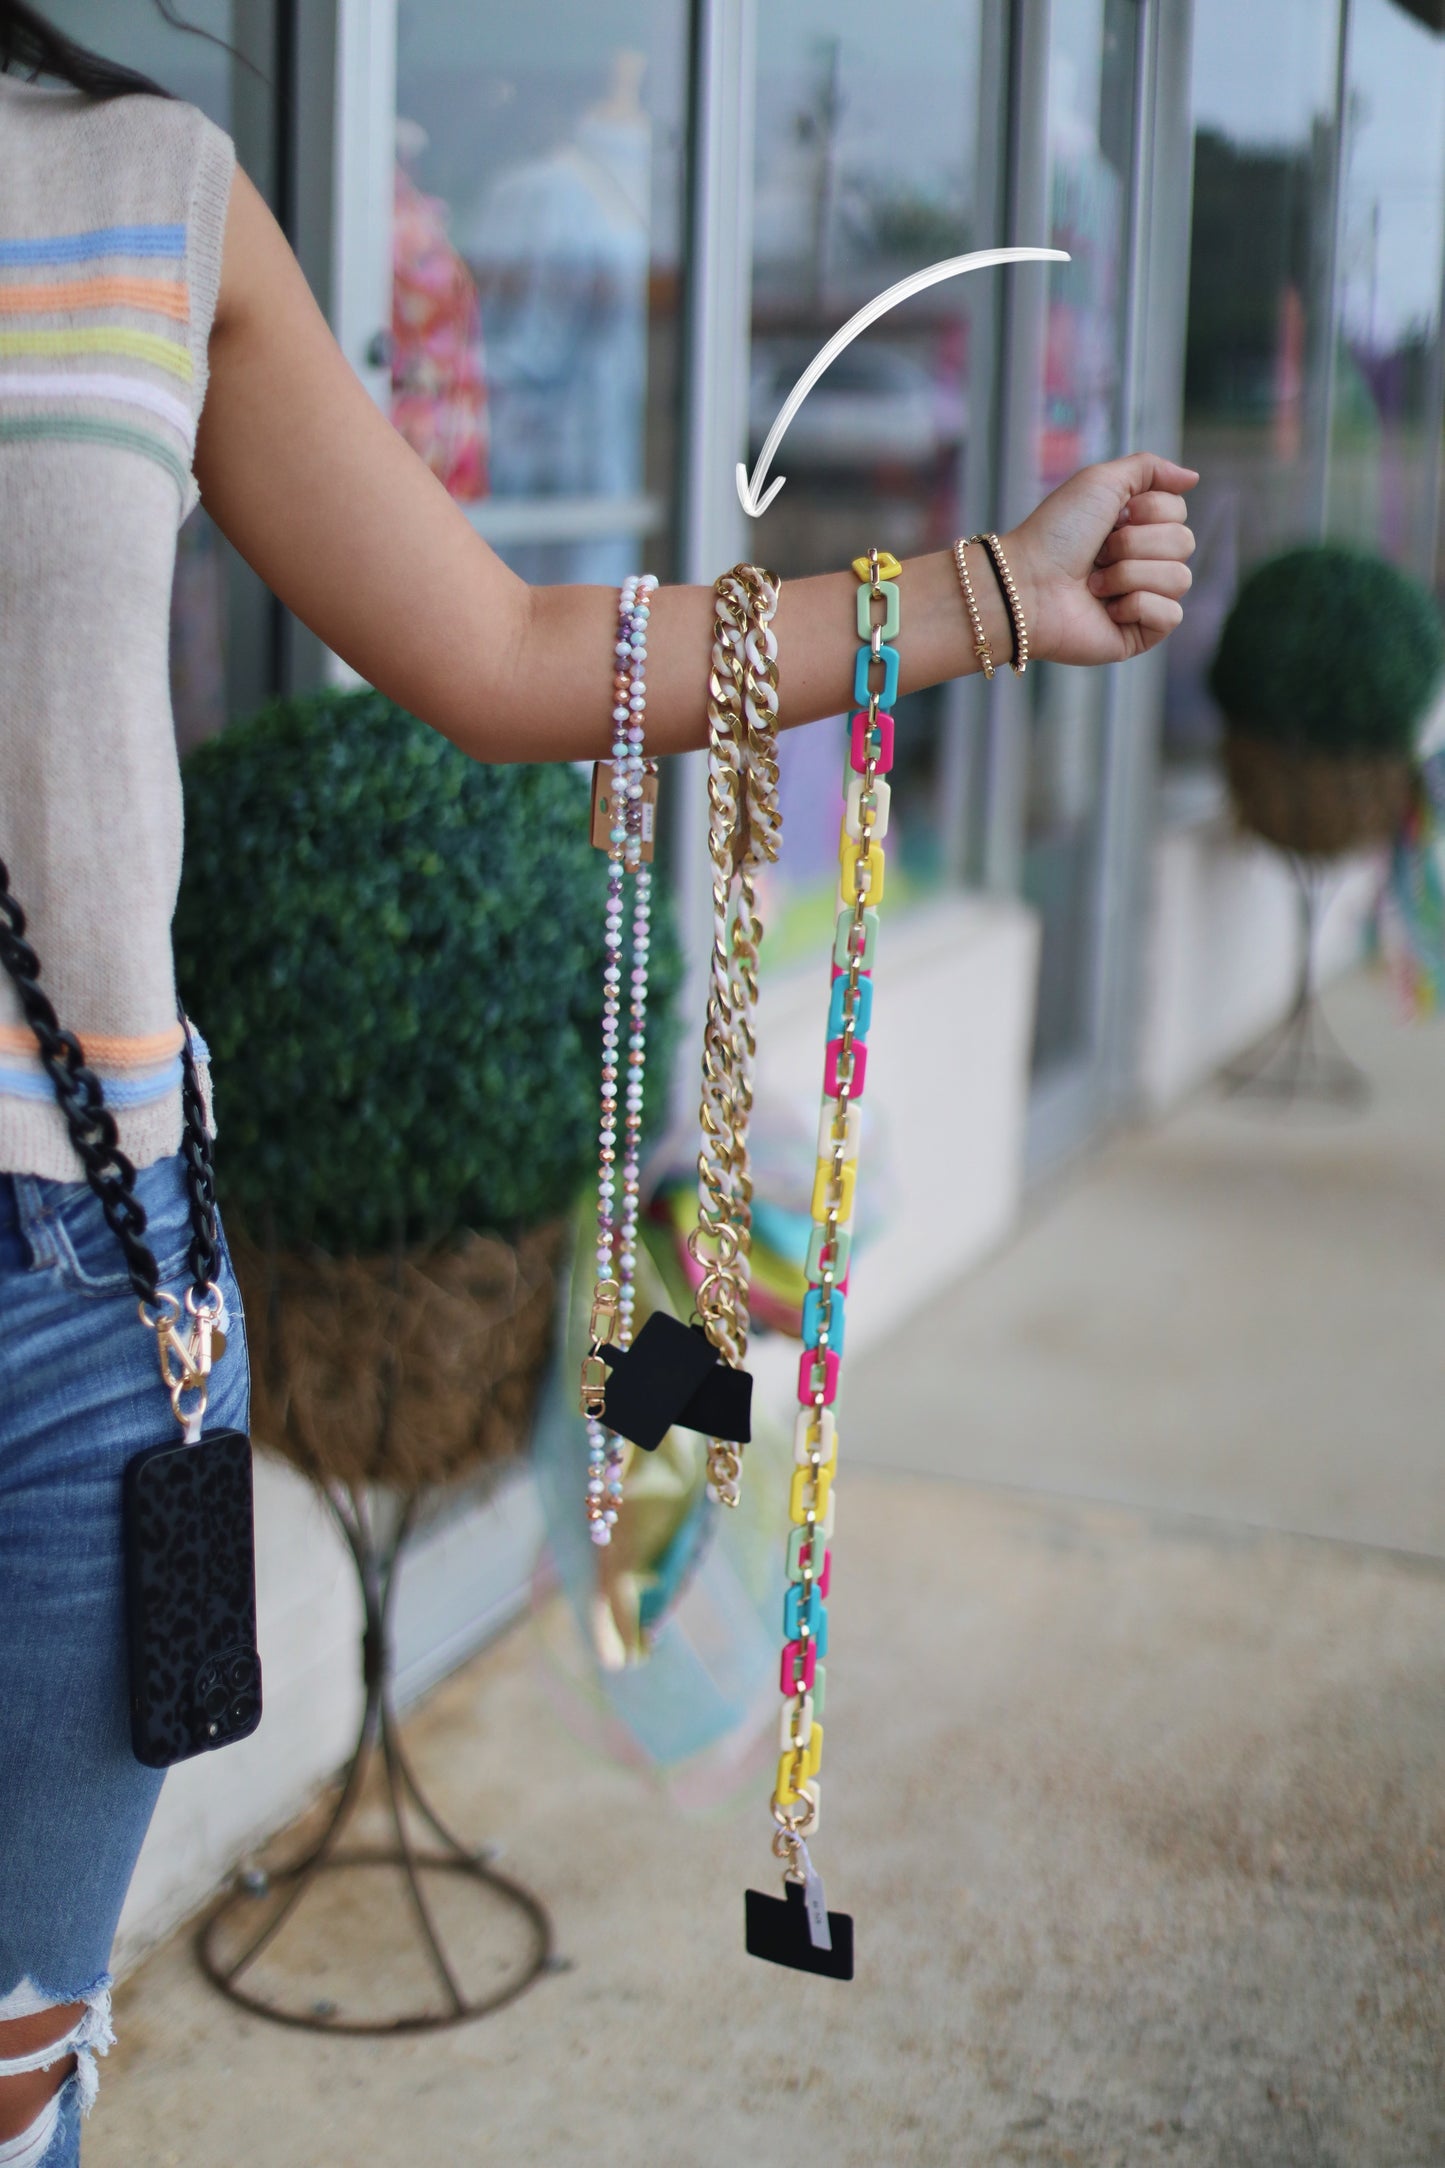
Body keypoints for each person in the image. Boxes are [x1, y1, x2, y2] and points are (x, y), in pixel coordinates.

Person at [0, 4, 1196, 2160]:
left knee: (9, 2074)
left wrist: (993, 592)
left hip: (80, 1306)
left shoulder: (137, 188)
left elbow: (510, 654)